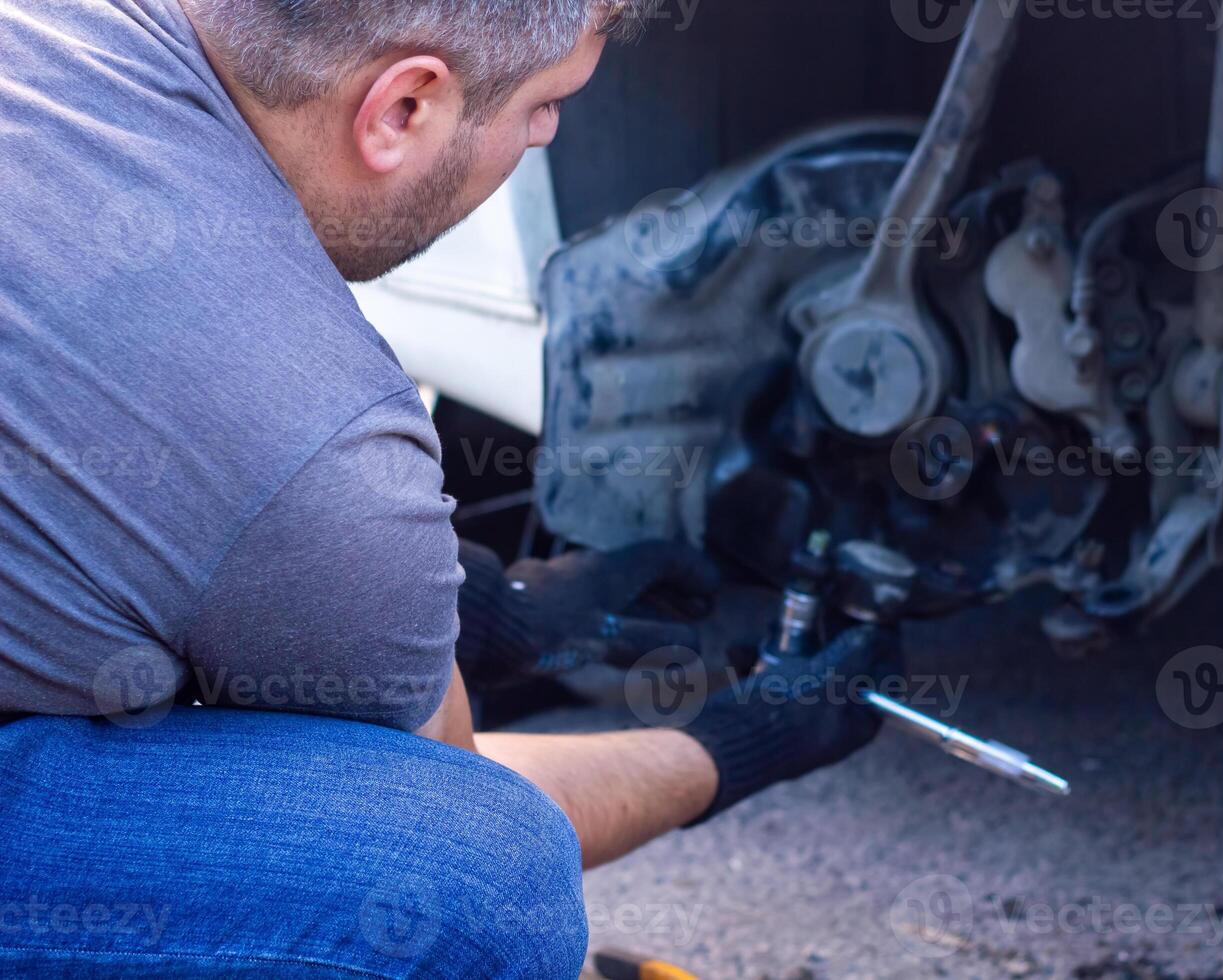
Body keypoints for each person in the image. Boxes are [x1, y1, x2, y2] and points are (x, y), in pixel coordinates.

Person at [0, 0, 897, 976]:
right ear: (403, 109)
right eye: (547, 102)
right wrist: (736, 744)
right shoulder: (316, 432)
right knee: (482, 881)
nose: (550, 130)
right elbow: (441, 793)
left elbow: (134, 488)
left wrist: (498, 608)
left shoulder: (56, 31)